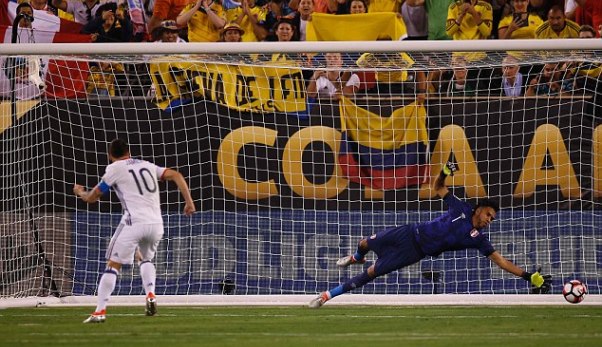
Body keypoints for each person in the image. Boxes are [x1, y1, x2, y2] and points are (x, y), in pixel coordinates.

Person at [309, 162, 552, 308]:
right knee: (364, 243)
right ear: (479, 209)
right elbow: (438, 187)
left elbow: (500, 260)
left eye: (492, 219)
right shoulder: (461, 207)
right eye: (489, 214)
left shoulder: (478, 238)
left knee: (372, 272)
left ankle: (326, 296)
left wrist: (528, 276)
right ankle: (355, 256)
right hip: (408, 231)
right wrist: (445, 171)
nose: (490, 220)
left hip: (414, 251)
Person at [74, 139, 195, 323]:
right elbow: (177, 175)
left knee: (113, 265)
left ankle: (99, 312)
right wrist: (189, 202)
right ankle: (151, 294)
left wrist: (80, 192)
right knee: (144, 258)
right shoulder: (147, 165)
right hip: (156, 224)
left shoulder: (114, 168)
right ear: (129, 152)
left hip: (134, 223)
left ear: (110, 156)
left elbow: (92, 197)